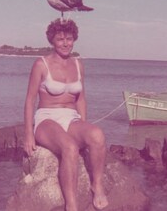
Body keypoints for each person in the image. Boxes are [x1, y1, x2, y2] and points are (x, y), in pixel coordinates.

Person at [24, 18, 109, 211]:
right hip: (46, 118)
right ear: (52, 40)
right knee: (69, 148)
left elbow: (80, 98)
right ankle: (72, 203)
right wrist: (28, 134)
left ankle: (98, 185)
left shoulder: (78, 65)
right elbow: (30, 100)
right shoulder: (41, 64)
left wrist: (83, 126)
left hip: (71, 118)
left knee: (97, 135)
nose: (65, 43)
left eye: (69, 38)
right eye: (60, 39)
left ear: (74, 39)